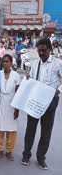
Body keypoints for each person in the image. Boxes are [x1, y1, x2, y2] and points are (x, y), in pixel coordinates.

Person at [22, 38, 62, 170]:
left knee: (46, 132)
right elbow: (32, 79)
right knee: (30, 129)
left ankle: (41, 158)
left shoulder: (57, 63)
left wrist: (59, 90)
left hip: (50, 102)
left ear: (49, 50)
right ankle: (26, 155)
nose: (41, 53)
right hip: (36, 101)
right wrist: (28, 80)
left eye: (44, 50)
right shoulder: (35, 64)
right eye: (39, 50)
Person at [0, 54, 20, 161]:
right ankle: (0, 149)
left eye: (7, 61)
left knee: (11, 129)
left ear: (11, 63)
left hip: (12, 104)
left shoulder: (16, 75)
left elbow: (18, 93)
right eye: (3, 62)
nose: (5, 63)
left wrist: (17, 109)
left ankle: (9, 151)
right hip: (0, 103)